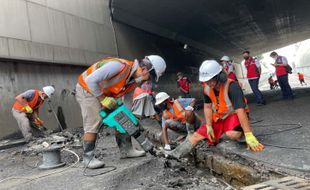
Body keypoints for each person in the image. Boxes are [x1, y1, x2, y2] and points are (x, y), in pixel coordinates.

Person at [76, 55, 166, 169]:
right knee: (94, 121)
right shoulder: (118, 66)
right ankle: (87, 158)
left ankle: (126, 150)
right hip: (87, 89)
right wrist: (102, 99)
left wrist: (129, 118)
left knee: (122, 117)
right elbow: (90, 80)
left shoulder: (133, 82)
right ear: (144, 69)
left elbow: (127, 103)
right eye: (149, 77)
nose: (148, 81)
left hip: (105, 93)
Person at [166, 60, 264, 159]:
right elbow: (208, 107)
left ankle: (242, 130)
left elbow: (240, 111)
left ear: (219, 76)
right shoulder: (207, 89)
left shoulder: (232, 86)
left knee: (233, 134)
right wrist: (209, 125)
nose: (209, 84)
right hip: (219, 117)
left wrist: (248, 134)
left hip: (234, 115)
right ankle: (173, 156)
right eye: (206, 81)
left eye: (211, 80)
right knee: (196, 136)